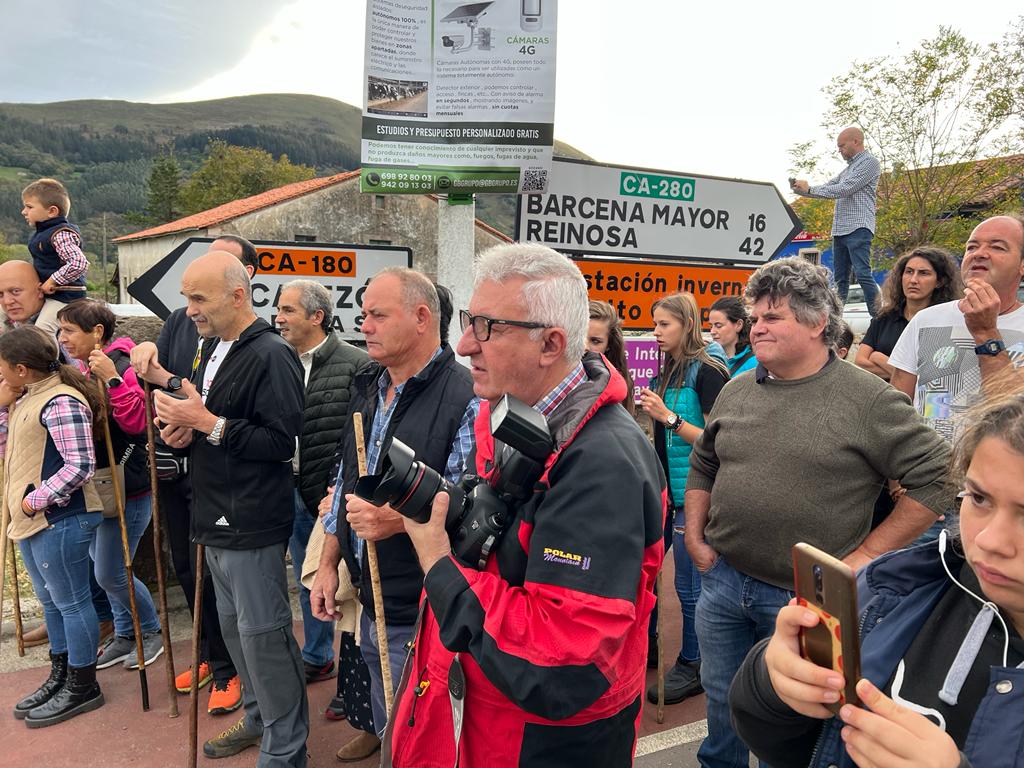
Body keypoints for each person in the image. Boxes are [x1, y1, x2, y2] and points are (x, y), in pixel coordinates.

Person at [382, 243, 666, 767]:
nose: (465, 343)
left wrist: (438, 562)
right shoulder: (517, 417)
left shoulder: (603, 464)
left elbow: (559, 661)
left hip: (536, 745)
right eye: (469, 320)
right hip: (483, 720)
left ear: (551, 344)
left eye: (487, 327)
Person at [684, 256, 952, 768]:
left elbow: (939, 476)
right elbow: (704, 462)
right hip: (722, 584)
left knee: (797, 726)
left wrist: (868, 554)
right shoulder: (739, 387)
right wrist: (696, 539)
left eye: (772, 317)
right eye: (754, 316)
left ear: (816, 323)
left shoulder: (867, 399)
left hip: (808, 601)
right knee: (722, 708)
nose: (756, 327)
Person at [730, 371, 1024, 768]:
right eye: (979, 498)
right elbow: (799, 747)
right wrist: (771, 682)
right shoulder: (897, 592)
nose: (989, 540)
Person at [309, 267, 477, 763]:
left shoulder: (465, 394)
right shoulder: (366, 383)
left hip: (428, 603)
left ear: (422, 317)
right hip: (370, 592)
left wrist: (396, 520)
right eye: (364, 315)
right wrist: (327, 562)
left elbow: (466, 498)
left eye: (378, 315)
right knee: (391, 726)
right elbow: (346, 482)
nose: (365, 326)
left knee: (430, 737)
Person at [153, 251, 308, 765]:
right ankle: (261, 719)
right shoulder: (208, 347)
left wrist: (207, 424)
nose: (189, 308)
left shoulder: (272, 354)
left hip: (251, 521)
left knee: (264, 640)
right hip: (212, 515)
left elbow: (282, 440)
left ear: (238, 295)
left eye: (199, 298)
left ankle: (286, 750)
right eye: (186, 297)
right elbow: (211, 423)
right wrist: (184, 431)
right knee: (235, 636)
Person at [131, 235, 256, 716]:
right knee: (186, 568)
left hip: (225, 478)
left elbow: (210, 398)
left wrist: (192, 412)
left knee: (227, 584)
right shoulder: (182, 323)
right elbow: (169, 379)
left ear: (242, 280)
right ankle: (209, 656)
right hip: (178, 466)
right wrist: (147, 360)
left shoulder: (256, 339)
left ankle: (232, 671)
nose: (192, 306)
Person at [1, 325, 105, 728]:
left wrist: (35, 499)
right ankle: (61, 674)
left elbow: (80, 464)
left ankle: (83, 684)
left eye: (3, 367)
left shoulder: (61, 401)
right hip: (35, 521)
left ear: (22, 368)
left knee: (72, 602)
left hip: (60, 517)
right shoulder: (27, 396)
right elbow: (10, 454)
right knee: (52, 602)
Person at [56, 299, 164, 671]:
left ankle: (150, 632)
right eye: (61, 330)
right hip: (101, 486)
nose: (63, 338)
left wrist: (113, 380)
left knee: (110, 571)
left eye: (70, 330)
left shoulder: (122, 363)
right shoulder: (83, 369)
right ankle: (125, 633)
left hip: (128, 487)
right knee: (102, 564)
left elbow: (138, 422)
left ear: (97, 332)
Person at [274, 279, 368, 686]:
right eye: (278, 309)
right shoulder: (277, 359)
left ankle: (345, 669)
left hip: (331, 494)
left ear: (317, 317)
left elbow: (359, 433)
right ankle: (316, 654)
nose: (279, 318)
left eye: (289, 310)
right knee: (306, 575)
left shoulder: (355, 363)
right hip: (286, 487)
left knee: (343, 578)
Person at [638, 292, 730, 706]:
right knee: (663, 574)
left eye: (664, 325)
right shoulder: (671, 366)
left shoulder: (708, 370)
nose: (655, 332)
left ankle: (695, 665)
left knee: (690, 588)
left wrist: (668, 418)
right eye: (655, 324)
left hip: (696, 492)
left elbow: (719, 440)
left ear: (686, 326)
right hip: (668, 488)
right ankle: (662, 649)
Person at [889, 215, 1024, 443]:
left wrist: (986, 333)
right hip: (927, 472)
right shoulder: (926, 319)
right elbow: (896, 408)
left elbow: (1012, 414)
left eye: (998, 247)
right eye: (972, 246)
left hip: (998, 475)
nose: (979, 253)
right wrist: (898, 477)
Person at [791, 127, 882, 315]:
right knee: (841, 279)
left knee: (862, 274)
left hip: (858, 226)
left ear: (856, 142)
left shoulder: (869, 163)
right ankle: (835, 319)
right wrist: (804, 189)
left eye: (842, 145)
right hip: (840, 229)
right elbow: (830, 186)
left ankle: (879, 318)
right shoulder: (848, 169)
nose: (839, 150)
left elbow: (845, 189)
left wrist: (809, 191)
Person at [856, 246, 963, 381]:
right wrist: (911, 376)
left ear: (940, 282)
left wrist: (878, 357)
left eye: (923, 273)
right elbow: (860, 362)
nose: (913, 280)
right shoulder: (884, 317)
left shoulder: (946, 323)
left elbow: (934, 376)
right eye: (909, 272)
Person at [20, 178, 89, 306]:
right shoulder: (42, 233)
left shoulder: (60, 234)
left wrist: (53, 280)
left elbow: (79, 263)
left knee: (42, 326)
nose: (24, 212)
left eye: (29, 207)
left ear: (52, 211)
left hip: (65, 298)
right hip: (50, 295)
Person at [588, 299, 636, 414]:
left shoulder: (616, 386)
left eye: (595, 341)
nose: (585, 346)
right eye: (580, 337)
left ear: (608, 345)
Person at [0, 259, 67, 339]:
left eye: (15, 291)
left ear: (39, 291)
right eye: (0, 295)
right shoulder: (7, 323)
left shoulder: (67, 332)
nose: (7, 301)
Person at [708, 296, 757, 376]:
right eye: (711, 326)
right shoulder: (708, 361)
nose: (712, 331)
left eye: (718, 326)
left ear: (738, 325)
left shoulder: (754, 364)